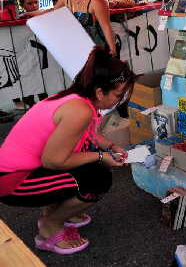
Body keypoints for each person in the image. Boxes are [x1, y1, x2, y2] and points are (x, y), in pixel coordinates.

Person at [0, 47, 134, 254]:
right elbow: (53, 161)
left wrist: (110, 146)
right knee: (98, 179)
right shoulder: (79, 111)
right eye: (119, 94)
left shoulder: (75, 98)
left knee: (89, 163)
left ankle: (54, 209)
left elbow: (89, 134)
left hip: (16, 171)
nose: (121, 99)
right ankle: (50, 226)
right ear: (100, 91)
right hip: (11, 181)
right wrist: (101, 156)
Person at [12, 0, 48, 109]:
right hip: (25, 59)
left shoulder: (41, 14)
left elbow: (43, 13)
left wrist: (28, 14)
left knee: (43, 91)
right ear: (22, 5)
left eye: (36, 2)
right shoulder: (17, 18)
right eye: (30, 4)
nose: (34, 5)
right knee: (29, 93)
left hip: (40, 59)